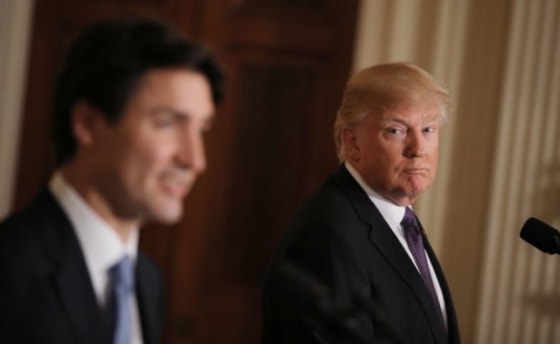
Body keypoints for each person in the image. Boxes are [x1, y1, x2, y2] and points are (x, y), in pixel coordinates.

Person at [0, 15, 224, 344]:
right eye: (167, 123)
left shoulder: (149, 282)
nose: (194, 160)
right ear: (88, 125)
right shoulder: (10, 269)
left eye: (201, 129)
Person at [262, 62, 460, 343]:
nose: (417, 149)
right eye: (396, 130)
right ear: (353, 142)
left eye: (428, 129)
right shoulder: (328, 233)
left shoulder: (400, 219)